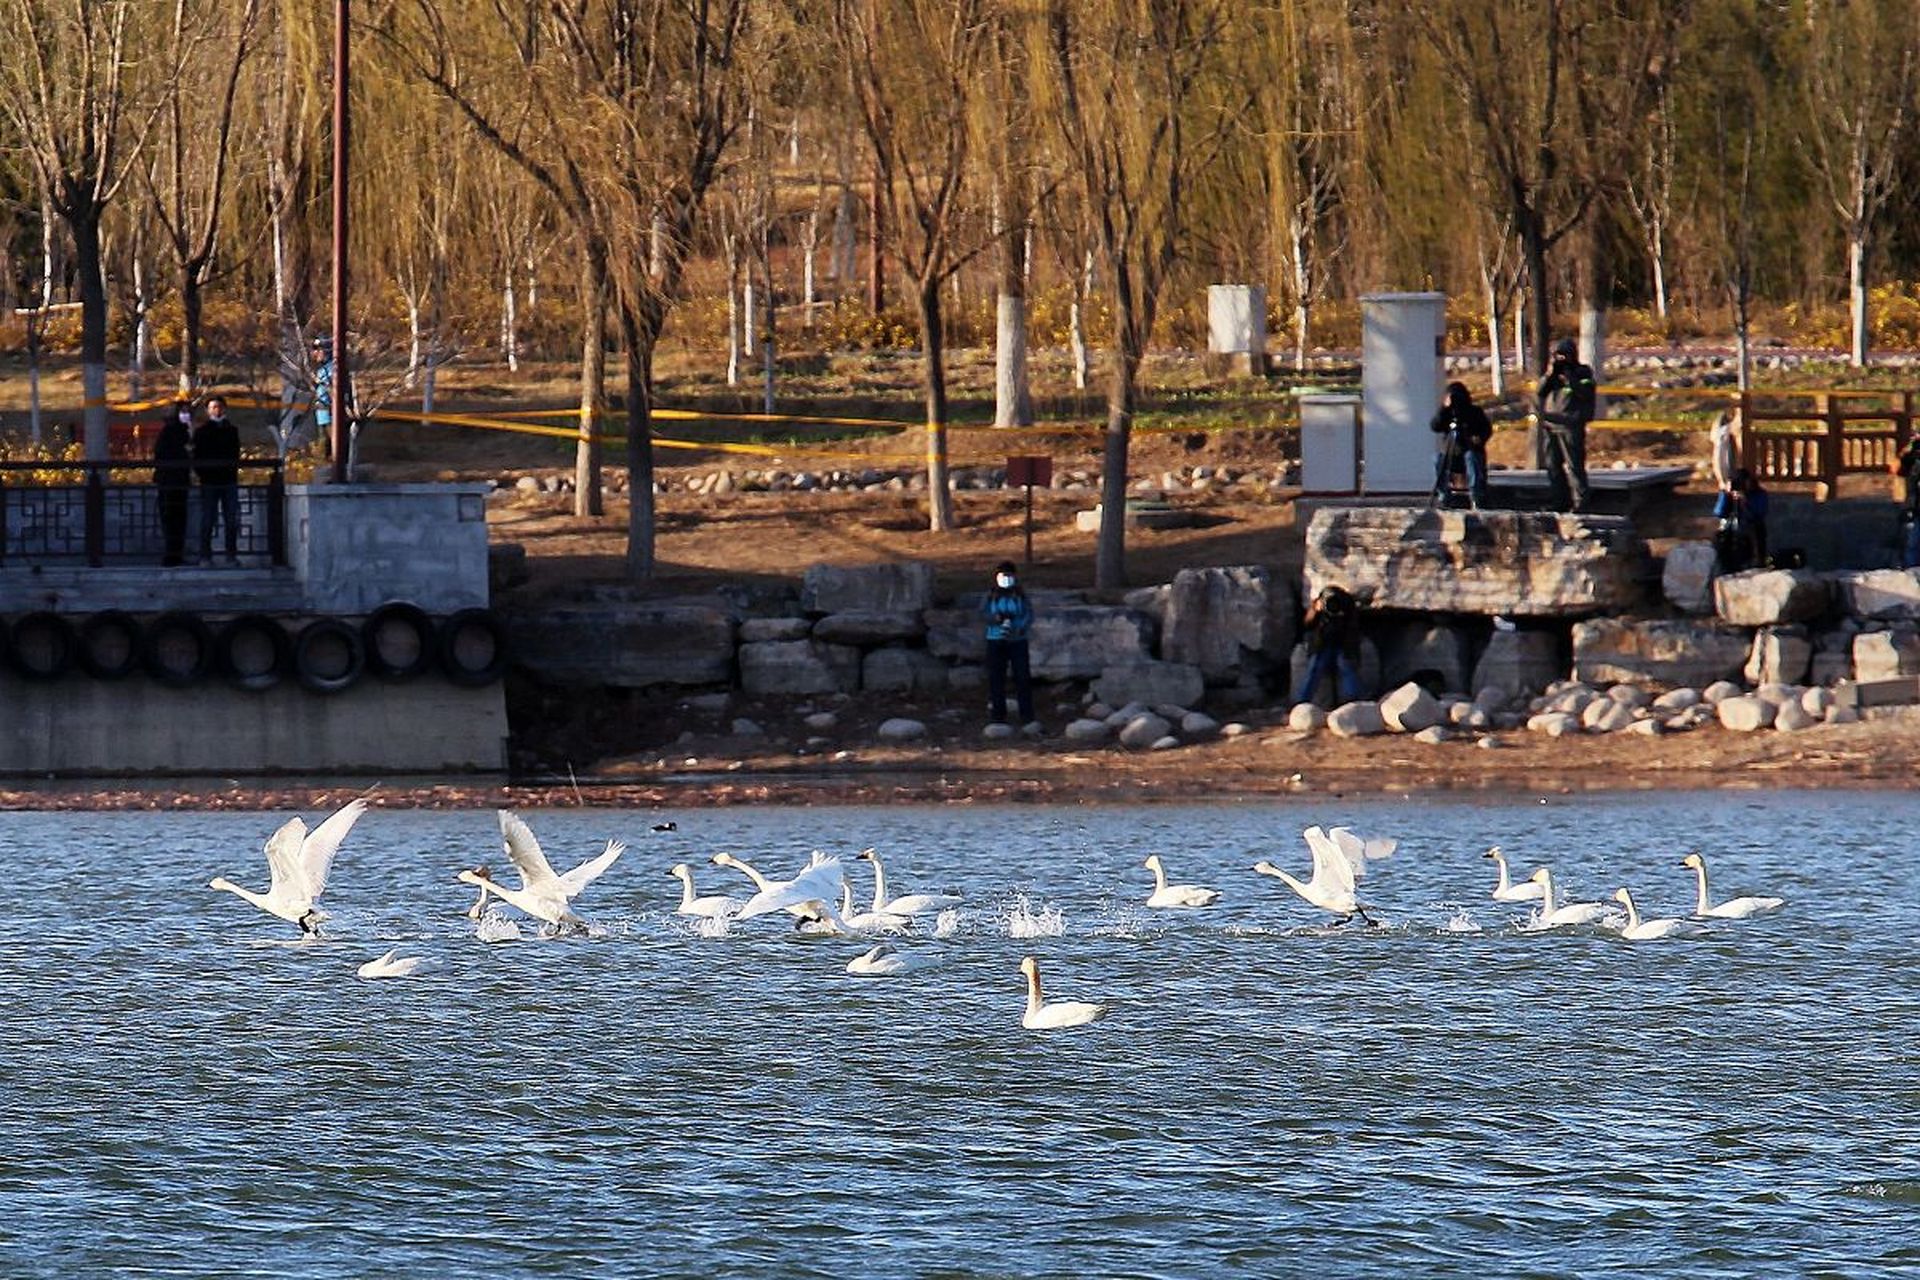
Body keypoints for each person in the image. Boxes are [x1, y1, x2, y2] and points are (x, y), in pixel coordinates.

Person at [1536, 337, 1595, 512]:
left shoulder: (1583, 372)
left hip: (1571, 425)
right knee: (1552, 466)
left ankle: (1581, 501)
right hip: (1551, 423)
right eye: (1558, 356)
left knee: (1574, 465)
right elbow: (1540, 391)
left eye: (1564, 355)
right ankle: (1559, 501)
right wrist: (1550, 373)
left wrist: (1570, 378)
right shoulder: (1553, 374)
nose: (1561, 359)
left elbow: (1585, 393)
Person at [981, 561, 1038, 733]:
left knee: (1022, 677)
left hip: (1018, 640)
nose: (1006, 579)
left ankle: (1027, 714)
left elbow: (1029, 614)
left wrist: (1020, 627)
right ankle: (997, 714)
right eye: (1002, 575)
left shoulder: (1020, 595)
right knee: (996, 678)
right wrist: (996, 619)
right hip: (995, 640)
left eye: (1009, 575)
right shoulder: (990, 595)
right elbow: (982, 613)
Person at [1293, 584, 1363, 708]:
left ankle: (1353, 703)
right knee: (1314, 669)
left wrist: (1351, 645)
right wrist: (1315, 610)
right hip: (1322, 643)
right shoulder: (1319, 605)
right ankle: (1302, 704)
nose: (1332, 607)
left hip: (1342, 643)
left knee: (1346, 668)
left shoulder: (1347, 604)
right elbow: (1307, 624)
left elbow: (1353, 627)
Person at [193, 395, 242, 565]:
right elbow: (197, 456)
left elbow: (235, 453)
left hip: (229, 480)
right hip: (209, 481)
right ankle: (205, 555)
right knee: (207, 519)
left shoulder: (231, 430)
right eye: (213, 407)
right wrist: (204, 474)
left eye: (219, 407)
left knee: (231, 519)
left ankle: (231, 555)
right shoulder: (202, 431)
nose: (217, 410)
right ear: (208, 411)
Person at [1429, 381, 1492, 510]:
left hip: (1470, 452)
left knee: (1471, 457)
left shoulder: (1474, 412)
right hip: (1452, 455)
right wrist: (1444, 408)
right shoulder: (1447, 413)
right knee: (1437, 459)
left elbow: (1487, 430)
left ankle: (1476, 496)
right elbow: (1435, 426)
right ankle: (1444, 496)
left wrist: (1479, 439)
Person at [153, 400, 194, 566]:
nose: (185, 416)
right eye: (183, 412)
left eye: (188, 413)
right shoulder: (172, 432)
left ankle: (176, 554)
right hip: (170, 481)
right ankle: (172, 555)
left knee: (177, 519)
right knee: (172, 519)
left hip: (178, 481)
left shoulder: (183, 431)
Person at [1713, 469, 1769, 573]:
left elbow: (1759, 514)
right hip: (1730, 535)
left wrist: (1745, 502)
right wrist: (1725, 495)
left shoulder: (1759, 494)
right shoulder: (1728, 495)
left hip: (1751, 535)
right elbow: (1719, 513)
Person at [1892, 435, 1920, 567]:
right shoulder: (1912, 459)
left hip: (1915, 506)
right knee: (1912, 542)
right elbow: (1897, 469)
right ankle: (1910, 568)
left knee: (1912, 542)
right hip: (1915, 507)